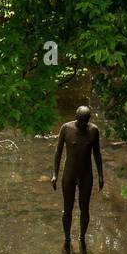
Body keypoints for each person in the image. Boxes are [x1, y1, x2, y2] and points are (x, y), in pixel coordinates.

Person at [52, 105, 104, 244]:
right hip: (69, 174)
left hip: (86, 175)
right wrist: (55, 174)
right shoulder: (66, 128)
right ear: (76, 117)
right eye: (80, 120)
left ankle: (82, 237)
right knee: (67, 209)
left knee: (84, 208)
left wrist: (100, 176)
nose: (82, 124)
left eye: (85, 121)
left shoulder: (93, 131)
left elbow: (97, 154)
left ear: (88, 119)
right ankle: (67, 238)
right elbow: (58, 152)